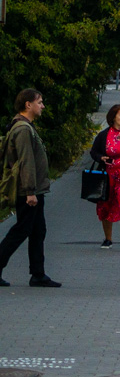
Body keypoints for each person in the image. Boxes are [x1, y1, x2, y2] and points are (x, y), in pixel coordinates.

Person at [0, 89, 60, 287]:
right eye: (40, 102)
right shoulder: (24, 130)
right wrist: (30, 192)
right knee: (21, 230)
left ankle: (38, 274)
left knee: (37, 230)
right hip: (28, 191)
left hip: (33, 190)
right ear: (28, 105)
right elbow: (26, 162)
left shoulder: (24, 126)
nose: (42, 106)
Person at [89, 104, 120, 249]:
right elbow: (94, 151)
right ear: (113, 117)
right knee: (105, 206)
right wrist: (101, 158)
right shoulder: (104, 135)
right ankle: (108, 239)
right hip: (107, 177)